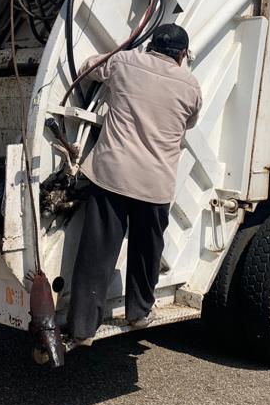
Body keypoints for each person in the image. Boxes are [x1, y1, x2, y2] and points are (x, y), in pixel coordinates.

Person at [67, 23, 202, 345]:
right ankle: (139, 312)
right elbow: (190, 122)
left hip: (112, 176)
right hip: (155, 184)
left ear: (151, 45)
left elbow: (88, 68)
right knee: (147, 252)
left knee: (96, 255)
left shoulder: (125, 62)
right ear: (182, 55)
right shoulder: (190, 84)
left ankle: (82, 329)